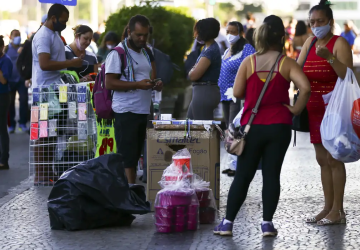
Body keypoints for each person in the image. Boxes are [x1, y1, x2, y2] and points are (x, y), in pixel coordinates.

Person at [213, 15, 311, 237]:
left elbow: (237, 93)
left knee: (243, 175)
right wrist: (295, 110)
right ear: (282, 37)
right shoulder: (287, 63)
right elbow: (305, 87)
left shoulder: (250, 62)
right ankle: (267, 224)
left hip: (252, 126)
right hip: (280, 126)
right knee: (272, 175)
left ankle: (227, 224)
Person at [298, 0, 353, 225]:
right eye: (312, 22)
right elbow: (296, 69)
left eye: (320, 21)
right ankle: (327, 207)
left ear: (330, 22)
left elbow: (347, 75)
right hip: (314, 109)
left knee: (334, 158)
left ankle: (338, 211)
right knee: (322, 159)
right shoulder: (309, 42)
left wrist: (329, 58)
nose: (315, 25)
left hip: (335, 109)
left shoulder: (339, 43)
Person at [105, 15, 163, 184]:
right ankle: (129, 192)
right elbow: (109, 82)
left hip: (141, 109)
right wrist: (137, 84)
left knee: (136, 153)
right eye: (138, 35)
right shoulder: (118, 53)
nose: (142, 38)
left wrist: (155, 83)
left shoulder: (145, 51)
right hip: (126, 110)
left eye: (145, 35)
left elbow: (147, 76)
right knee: (127, 157)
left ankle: (131, 191)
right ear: (129, 32)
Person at [32, 4, 83, 185]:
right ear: (53, 18)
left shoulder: (54, 35)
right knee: (43, 135)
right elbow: (44, 64)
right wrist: (70, 63)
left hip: (54, 90)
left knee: (52, 133)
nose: (65, 24)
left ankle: (48, 171)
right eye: (63, 21)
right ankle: (40, 174)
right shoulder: (44, 36)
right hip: (45, 91)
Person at [218, 21, 256, 177]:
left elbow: (252, 68)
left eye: (233, 32)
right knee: (229, 129)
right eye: (227, 31)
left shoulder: (247, 48)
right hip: (224, 95)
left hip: (237, 95)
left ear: (240, 32)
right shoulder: (228, 49)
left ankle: (238, 163)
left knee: (236, 128)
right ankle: (231, 162)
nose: (229, 35)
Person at [187, 18, 222, 120]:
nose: (195, 34)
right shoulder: (208, 48)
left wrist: (192, 71)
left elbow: (194, 75)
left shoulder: (210, 51)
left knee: (202, 129)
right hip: (202, 91)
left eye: (197, 31)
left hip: (204, 92)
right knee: (191, 125)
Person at [5, 30, 29, 133]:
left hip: (21, 80)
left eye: (19, 35)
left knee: (23, 101)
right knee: (10, 103)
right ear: (11, 36)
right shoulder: (6, 49)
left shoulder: (23, 48)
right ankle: (11, 125)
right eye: (15, 35)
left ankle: (22, 123)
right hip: (10, 80)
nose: (17, 37)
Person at [0, 36, 13, 170]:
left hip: (2, 96)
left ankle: (4, 160)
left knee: (2, 128)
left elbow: (3, 81)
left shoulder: (6, 61)